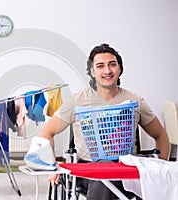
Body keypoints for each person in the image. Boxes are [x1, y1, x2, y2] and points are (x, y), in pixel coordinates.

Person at [40, 43, 170, 199]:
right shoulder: (77, 101)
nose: (107, 71)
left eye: (112, 65)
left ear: (120, 69)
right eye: (100, 66)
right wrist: (51, 164)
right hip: (89, 171)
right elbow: (47, 131)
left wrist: (160, 171)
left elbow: (161, 135)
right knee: (103, 173)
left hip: (126, 170)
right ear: (92, 71)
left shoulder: (135, 101)